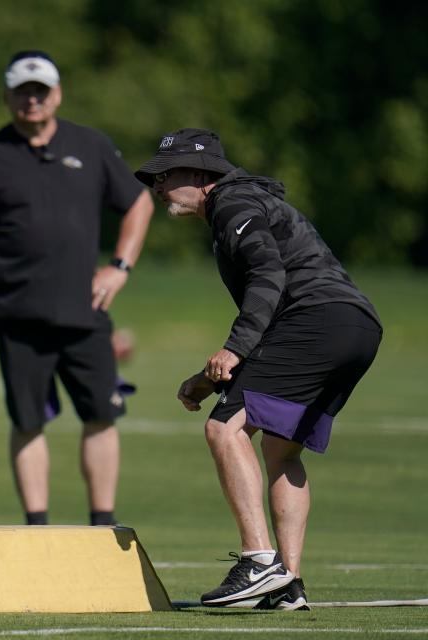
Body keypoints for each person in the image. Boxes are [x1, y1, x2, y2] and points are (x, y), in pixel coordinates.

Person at [135, 128, 382, 610]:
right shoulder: (242, 202)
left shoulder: (232, 204)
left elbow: (269, 276)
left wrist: (234, 348)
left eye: (167, 175)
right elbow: (277, 303)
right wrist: (209, 377)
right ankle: (287, 583)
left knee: (225, 429)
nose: (159, 187)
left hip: (317, 319)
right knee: (281, 450)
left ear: (202, 175)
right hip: (357, 327)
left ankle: (258, 560)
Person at [0, 50, 154, 527]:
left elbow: (139, 202)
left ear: (57, 95)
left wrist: (120, 266)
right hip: (18, 313)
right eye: (23, 92)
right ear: (8, 97)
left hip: (86, 309)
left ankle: (103, 522)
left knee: (101, 413)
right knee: (28, 420)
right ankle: (36, 527)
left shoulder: (92, 146)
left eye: (40, 92)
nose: (32, 100)